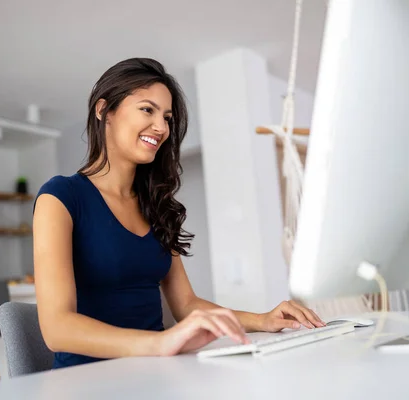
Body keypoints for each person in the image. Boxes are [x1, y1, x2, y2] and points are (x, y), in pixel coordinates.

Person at [33, 57, 325, 369]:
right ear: (104, 111)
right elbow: (57, 329)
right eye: (147, 110)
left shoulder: (155, 205)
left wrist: (263, 319)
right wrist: (160, 342)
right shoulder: (60, 197)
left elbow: (186, 304)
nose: (161, 127)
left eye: (167, 117)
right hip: (87, 380)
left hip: (156, 370)